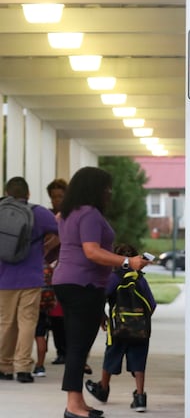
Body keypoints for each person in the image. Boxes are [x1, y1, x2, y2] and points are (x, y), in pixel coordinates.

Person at [53, 166, 151, 418]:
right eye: (106, 187)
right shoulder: (88, 214)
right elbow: (91, 251)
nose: (109, 192)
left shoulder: (67, 213)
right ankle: (73, 406)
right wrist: (128, 262)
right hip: (82, 284)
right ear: (94, 188)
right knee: (78, 346)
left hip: (70, 282)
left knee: (79, 345)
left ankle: (77, 401)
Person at [0, 177, 59, 383]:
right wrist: (49, 245)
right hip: (31, 277)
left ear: (7, 193)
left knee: (5, 323)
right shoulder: (39, 213)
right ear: (28, 194)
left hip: (3, 279)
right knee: (27, 322)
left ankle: (4, 366)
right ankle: (23, 368)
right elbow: (60, 230)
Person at [86, 243, 156, 413]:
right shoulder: (140, 279)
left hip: (117, 329)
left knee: (111, 356)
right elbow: (151, 304)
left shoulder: (114, 278)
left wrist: (103, 317)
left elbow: (101, 298)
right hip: (140, 331)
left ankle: (103, 388)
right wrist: (140, 322)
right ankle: (140, 397)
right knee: (139, 362)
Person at [46, 178, 68, 366]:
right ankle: (61, 351)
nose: (56, 200)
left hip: (68, 268)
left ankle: (71, 350)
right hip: (50, 268)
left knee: (67, 313)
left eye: (60, 196)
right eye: (53, 197)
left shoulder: (72, 215)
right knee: (55, 313)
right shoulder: (47, 215)